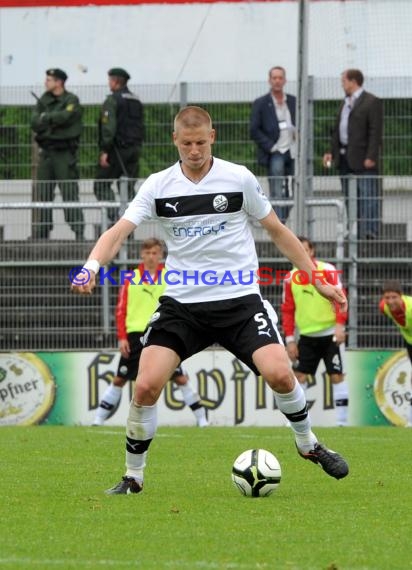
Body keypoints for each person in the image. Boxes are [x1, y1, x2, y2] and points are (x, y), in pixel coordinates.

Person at [72, 105, 349, 495]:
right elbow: (119, 231)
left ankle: (308, 443)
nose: (195, 150)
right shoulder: (158, 185)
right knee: (146, 385)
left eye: (201, 142)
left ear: (213, 137)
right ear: (175, 141)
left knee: (281, 374)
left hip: (239, 301)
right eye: (187, 143)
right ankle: (134, 477)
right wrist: (91, 266)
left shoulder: (238, 179)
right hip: (182, 305)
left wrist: (316, 279)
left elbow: (278, 231)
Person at [92, 237, 208, 428]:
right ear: (141, 254)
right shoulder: (131, 279)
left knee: (180, 378)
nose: (151, 257)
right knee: (120, 378)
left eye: (154, 253)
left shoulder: (170, 277)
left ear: (161, 255)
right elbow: (121, 310)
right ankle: (98, 419)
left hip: (162, 331)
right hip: (136, 335)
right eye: (147, 253)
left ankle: (202, 420)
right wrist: (122, 337)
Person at [281, 237, 349, 426]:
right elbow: (287, 311)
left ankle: (342, 423)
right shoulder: (289, 279)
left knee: (337, 375)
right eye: (298, 250)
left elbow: (341, 298)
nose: (302, 254)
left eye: (305, 250)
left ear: (312, 251)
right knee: (299, 377)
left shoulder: (327, 270)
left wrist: (339, 326)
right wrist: (290, 340)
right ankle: (295, 422)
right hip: (307, 336)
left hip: (330, 335)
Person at [322, 69, 384, 240]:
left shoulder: (371, 102)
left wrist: (371, 156)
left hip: (363, 158)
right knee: (350, 196)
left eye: (344, 81)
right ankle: (355, 230)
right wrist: (331, 152)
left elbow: (375, 131)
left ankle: (370, 232)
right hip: (344, 156)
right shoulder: (345, 103)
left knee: (368, 195)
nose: (342, 84)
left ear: (353, 81)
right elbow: (337, 130)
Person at [31, 68, 84, 240]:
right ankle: (42, 233)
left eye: (49, 79)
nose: (46, 82)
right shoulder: (43, 100)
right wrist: (54, 123)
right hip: (46, 153)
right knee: (44, 193)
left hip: (64, 154)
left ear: (59, 82)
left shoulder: (71, 100)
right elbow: (34, 123)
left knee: (69, 193)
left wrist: (47, 119)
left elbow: (68, 120)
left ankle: (78, 232)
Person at [94, 68, 144, 225]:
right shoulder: (136, 100)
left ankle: (115, 219)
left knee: (101, 184)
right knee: (128, 187)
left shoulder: (112, 100)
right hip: (134, 150)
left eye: (110, 80)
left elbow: (108, 128)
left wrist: (105, 150)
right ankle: (129, 223)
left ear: (115, 81)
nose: (109, 83)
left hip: (117, 150)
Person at [250, 66, 296, 224]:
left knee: (296, 186)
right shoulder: (261, 103)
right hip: (275, 150)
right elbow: (254, 129)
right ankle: (279, 222)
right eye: (274, 78)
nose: (277, 81)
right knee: (276, 187)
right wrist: (270, 146)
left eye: (280, 78)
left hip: (293, 150)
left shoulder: (293, 101)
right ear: (270, 80)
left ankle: (283, 216)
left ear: (285, 80)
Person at [379, 280, 412, 427]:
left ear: (401, 296)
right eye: (387, 297)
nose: (390, 301)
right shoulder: (383, 307)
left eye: (394, 297)